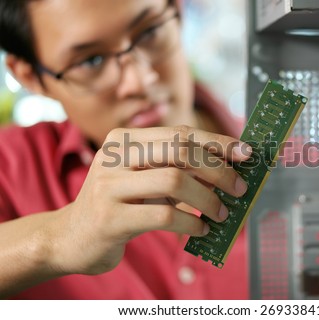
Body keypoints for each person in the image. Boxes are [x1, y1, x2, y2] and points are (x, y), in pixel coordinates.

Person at [0, 0, 251, 299]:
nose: (140, 80)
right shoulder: (10, 168)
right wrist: (59, 237)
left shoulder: (300, 162)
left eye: (150, 32)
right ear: (31, 77)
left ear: (178, 13)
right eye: (90, 61)